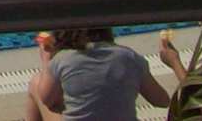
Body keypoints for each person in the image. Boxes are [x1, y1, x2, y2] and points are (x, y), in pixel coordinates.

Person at [26, 27, 186, 121]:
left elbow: (46, 100)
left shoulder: (63, 59)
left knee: (36, 84)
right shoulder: (129, 57)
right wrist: (173, 61)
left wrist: (47, 61)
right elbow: (162, 101)